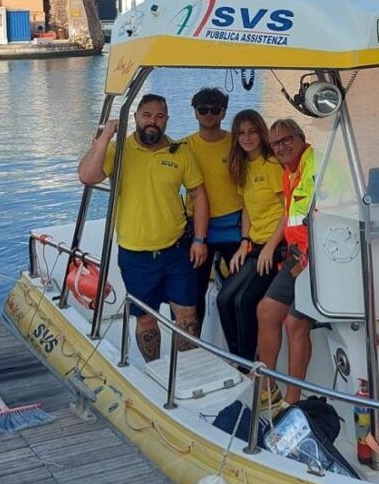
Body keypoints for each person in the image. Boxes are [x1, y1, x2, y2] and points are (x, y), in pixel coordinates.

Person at [78, 94, 209, 361]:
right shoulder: (118, 150)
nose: (153, 121)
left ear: (167, 120)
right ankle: (155, 367)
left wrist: (199, 239)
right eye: (147, 115)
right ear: (136, 117)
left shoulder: (180, 152)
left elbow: (198, 195)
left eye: (159, 116)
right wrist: (104, 138)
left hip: (175, 251)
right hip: (135, 254)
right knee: (146, 319)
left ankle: (187, 369)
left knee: (187, 316)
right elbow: (88, 176)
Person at [216, 110, 286, 363]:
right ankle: (238, 358)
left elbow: (288, 209)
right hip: (254, 244)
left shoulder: (272, 164)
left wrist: (270, 247)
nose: (247, 138)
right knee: (224, 299)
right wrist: (244, 242)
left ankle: (248, 364)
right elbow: (246, 207)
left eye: (252, 131)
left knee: (244, 301)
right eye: (241, 133)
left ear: (261, 133)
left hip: (275, 246)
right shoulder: (243, 165)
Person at [257, 118, 317, 409]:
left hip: (318, 260)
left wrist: (309, 261)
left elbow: (331, 215)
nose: (281, 147)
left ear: (301, 137)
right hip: (297, 255)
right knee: (266, 311)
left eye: (286, 140)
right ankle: (268, 388)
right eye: (275, 144)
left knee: (295, 323)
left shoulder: (315, 167)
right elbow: (290, 215)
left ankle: (293, 401)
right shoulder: (289, 172)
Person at [183, 87, 244, 329]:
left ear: (224, 112)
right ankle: (192, 345)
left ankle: (240, 347)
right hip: (198, 231)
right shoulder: (184, 146)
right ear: (195, 112)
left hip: (234, 228)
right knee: (193, 294)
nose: (209, 114)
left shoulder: (238, 143)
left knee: (239, 295)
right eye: (203, 109)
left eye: (215, 109)